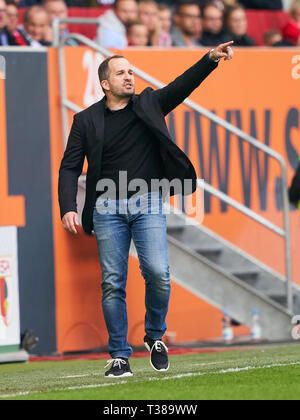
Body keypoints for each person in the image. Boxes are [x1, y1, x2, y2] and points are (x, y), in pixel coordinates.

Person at [58, 41, 234, 378]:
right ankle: (119, 356)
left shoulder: (150, 102)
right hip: (106, 206)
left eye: (131, 71)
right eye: (121, 72)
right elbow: (69, 167)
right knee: (112, 282)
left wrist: (210, 59)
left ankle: (154, 336)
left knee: (157, 273)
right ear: (105, 84)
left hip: (148, 200)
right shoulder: (85, 120)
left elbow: (182, 85)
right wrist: (68, 206)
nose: (129, 76)